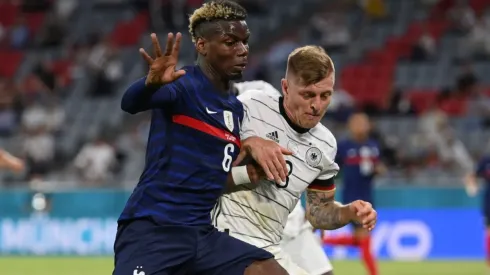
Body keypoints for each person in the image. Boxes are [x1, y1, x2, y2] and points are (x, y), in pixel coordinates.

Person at [113, 1, 292, 274]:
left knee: (268, 271)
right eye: (230, 42)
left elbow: (208, 181)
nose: (242, 50)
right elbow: (130, 103)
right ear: (201, 45)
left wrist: (247, 176)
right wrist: (149, 84)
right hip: (154, 228)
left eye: (245, 42)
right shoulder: (183, 85)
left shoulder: (235, 109)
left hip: (201, 234)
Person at [213, 46, 378, 274]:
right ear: (285, 87)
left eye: (325, 95)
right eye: (308, 94)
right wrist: (249, 141)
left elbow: (319, 212)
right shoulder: (251, 106)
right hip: (226, 237)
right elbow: (202, 167)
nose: (317, 105)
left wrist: (349, 212)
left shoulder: (325, 144)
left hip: (273, 242)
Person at [233, 80, 335, 275]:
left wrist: (317, 202)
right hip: (247, 225)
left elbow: (301, 144)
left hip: (290, 222)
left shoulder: (259, 91)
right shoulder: (206, 106)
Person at [323, 112, 386, 275]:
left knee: (362, 239)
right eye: (357, 123)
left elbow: (377, 169)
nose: (360, 126)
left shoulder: (374, 146)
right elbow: (331, 168)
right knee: (364, 237)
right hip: (352, 198)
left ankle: (321, 241)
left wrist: (379, 170)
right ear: (350, 126)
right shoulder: (343, 146)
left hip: (369, 197)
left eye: (363, 123)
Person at [464, 153, 490, 270]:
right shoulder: (486, 160)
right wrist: (471, 186)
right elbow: (471, 176)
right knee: (489, 232)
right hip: (489, 201)